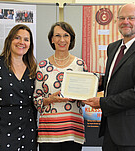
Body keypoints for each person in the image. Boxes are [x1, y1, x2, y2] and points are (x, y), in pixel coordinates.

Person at [83, 3, 135, 151]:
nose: (125, 21)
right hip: (111, 132)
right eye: (122, 18)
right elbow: (112, 80)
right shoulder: (113, 48)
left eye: (131, 18)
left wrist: (103, 102)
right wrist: (91, 83)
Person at [0, 24, 37, 151]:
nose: (22, 42)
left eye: (26, 39)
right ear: (9, 40)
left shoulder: (33, 69)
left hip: (28, 130)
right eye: (17, 38)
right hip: (1, 130)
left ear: (30, 44)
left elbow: (36, 103)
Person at [33, 21, 87, 151]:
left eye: (66, 35)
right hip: (49, 133)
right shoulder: (42, 66)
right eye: (57, 35)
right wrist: (50, 99)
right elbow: (36, 100)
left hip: (73, 130)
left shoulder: (80, 65)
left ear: (71, 39)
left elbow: (84, 99)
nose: (62, 40)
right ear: (52, 39)